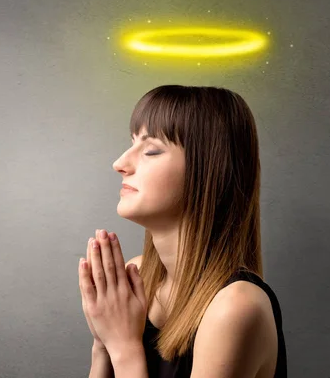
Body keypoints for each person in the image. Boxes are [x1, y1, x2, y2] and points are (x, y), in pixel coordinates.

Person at [79, 85, 287, 378]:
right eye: (132, 142)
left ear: (209, 170)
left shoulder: (236, 307)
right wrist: (102, 343)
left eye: (151, 150)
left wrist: (123, 347)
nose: (120, 164)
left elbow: (123, 351)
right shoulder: (136, 278)